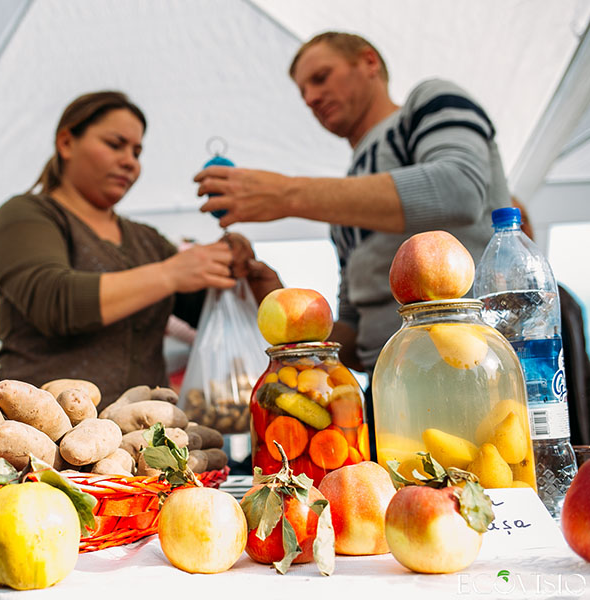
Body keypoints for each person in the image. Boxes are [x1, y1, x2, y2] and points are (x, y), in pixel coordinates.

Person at [195, 32, 509, 450]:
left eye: (321, 77)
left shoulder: (429, 101)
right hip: (393, 395)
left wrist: (288, 195)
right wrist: (279, 299)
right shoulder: (348, 201)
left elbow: (457, 190)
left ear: (369, 62)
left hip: (477, 377)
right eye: (303, 91)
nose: (310, 97)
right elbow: (361, 341)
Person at [0, 91, 280, 408]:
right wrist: (172, 272)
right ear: (66, 143)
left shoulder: (147, 241)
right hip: (43, 433)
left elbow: (205, 311)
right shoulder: (26, 214)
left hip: (144, 439)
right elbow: (54, 301)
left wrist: (241, 275)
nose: (129, 161)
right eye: (115, 145)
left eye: (137, 152)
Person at [511, 198, 590, 446]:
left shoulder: (561, 300)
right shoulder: (492, 307)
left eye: (521, 227)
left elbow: (580, 373)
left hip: (564, 431)